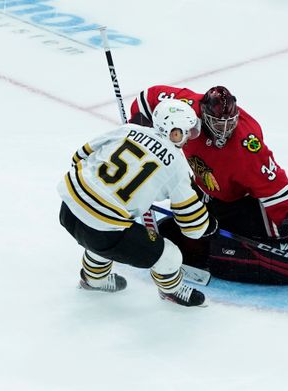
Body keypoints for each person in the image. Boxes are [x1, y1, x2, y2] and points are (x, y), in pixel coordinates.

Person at [130, 85, 288, 290]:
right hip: (202, 189)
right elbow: (147, 98)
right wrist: (137, 127)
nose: (225, 130)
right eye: (218, 124)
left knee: (248, 251)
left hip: (241, 199)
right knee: (173, 236)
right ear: (202, 114)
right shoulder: (185, 107)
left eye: (230, 123)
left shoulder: (247, 145)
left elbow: (274, 188)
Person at [58, 99, 215, 307]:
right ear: (174, 132)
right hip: (103, 232)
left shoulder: (128, 129)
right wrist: (208, 225)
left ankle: (95, 278)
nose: (187, 139)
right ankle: (172, 291)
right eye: (185, 132)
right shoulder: (176, 166)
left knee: (107, 228)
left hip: (68, 211)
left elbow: (79, 157)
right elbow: (193, 227)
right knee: (169, 255)